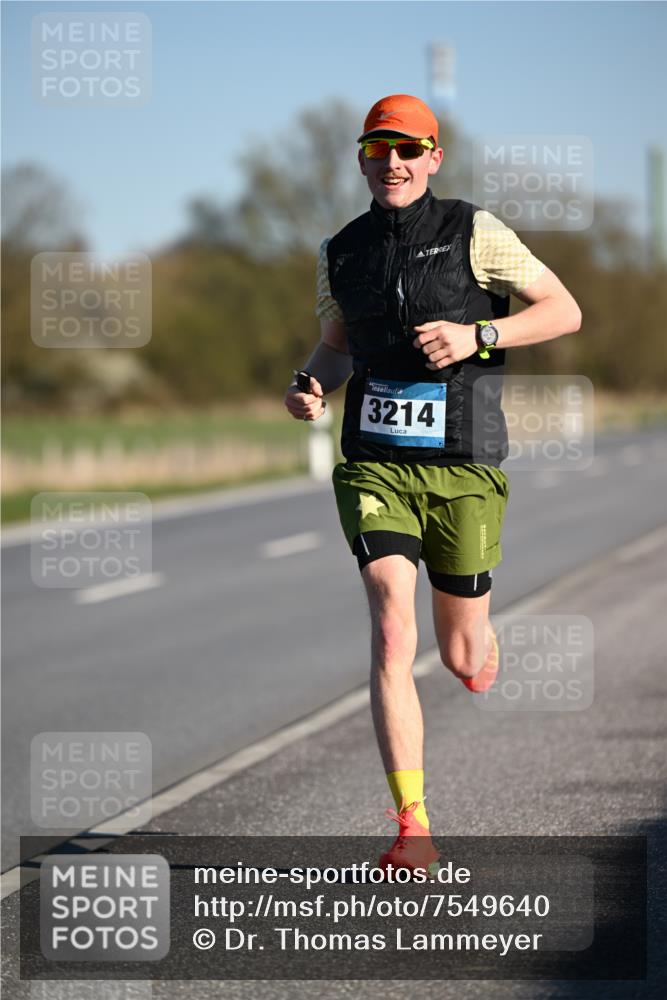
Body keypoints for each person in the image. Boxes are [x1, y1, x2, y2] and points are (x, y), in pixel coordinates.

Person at [284, 94, 582, 872]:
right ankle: (411, 823)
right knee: (389, 624)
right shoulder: (339, 250)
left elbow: (563, 310)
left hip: (465, 462)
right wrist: (310, 384)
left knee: (457, 653)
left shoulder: (475, 232)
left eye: (408, 150)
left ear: (433, 159)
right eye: (378, 150)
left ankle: (476, 644)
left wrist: (479, 332)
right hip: (375, 462)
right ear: (360, 158)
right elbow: (336, 347)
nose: (393, 163)